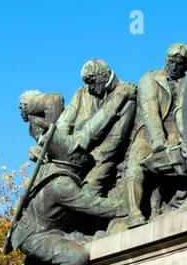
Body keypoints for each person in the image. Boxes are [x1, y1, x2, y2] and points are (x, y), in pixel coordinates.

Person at [3, 94, 132, 265]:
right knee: (75, 256)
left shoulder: (44, 173)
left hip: (28, 235)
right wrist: (124, 206)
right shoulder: (62, 184)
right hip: (37, 235)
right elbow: (91, 205)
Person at [125, 43, 187, 228]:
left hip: (176, 130)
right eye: (171, 62)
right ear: (166, 59)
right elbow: (151, 110)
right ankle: (134, 212)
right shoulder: (150, 79)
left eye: (179, 64)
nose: (174, 67)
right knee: (136, 163)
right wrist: (159, 141)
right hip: (147, 134)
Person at [54, 59, 137, 196]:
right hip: (73, 154)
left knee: (87, 194)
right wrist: (59, 143)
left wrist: (90, 158)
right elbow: (63, 123)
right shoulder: (82, 93)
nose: (89, 87)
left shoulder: (126, 93)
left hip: (101, 159)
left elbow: (116, 139)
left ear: (104, 75)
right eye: (87, 83)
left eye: (91, 81)